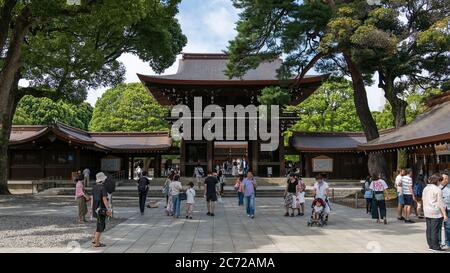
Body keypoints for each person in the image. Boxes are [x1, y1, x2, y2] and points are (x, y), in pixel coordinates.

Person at [423, 174, 448, 251]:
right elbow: (440, 203)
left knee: (429, 229)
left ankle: (430, 245)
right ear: (437, 181)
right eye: (440, 180)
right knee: (435, 230)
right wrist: (444, 215)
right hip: (435, 212)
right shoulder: (438, 190)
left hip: (427, 210)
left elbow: (423, 199)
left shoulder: (426, 188)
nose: (440, 182)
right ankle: (436, 246)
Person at [91, 172, 112, 248]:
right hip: (101, 210)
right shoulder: (103, 188)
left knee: (98, 223)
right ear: (102, 179)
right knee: (101, 225)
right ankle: (97, 243)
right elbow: (104, 199)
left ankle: (94, 239)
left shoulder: (94, 187)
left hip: (95, 208)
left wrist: (91, 208)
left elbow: (92, 198)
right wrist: (108, 209)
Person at [440, 172, 450, 248]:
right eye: (445, 178)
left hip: (448, 208)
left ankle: (448, 242)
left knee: (448, 226)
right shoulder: (437, 187)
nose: (446, 180)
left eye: (447, 178)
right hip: (440, 209)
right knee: (439, 226)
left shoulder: (449, 186)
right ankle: (440, 242)